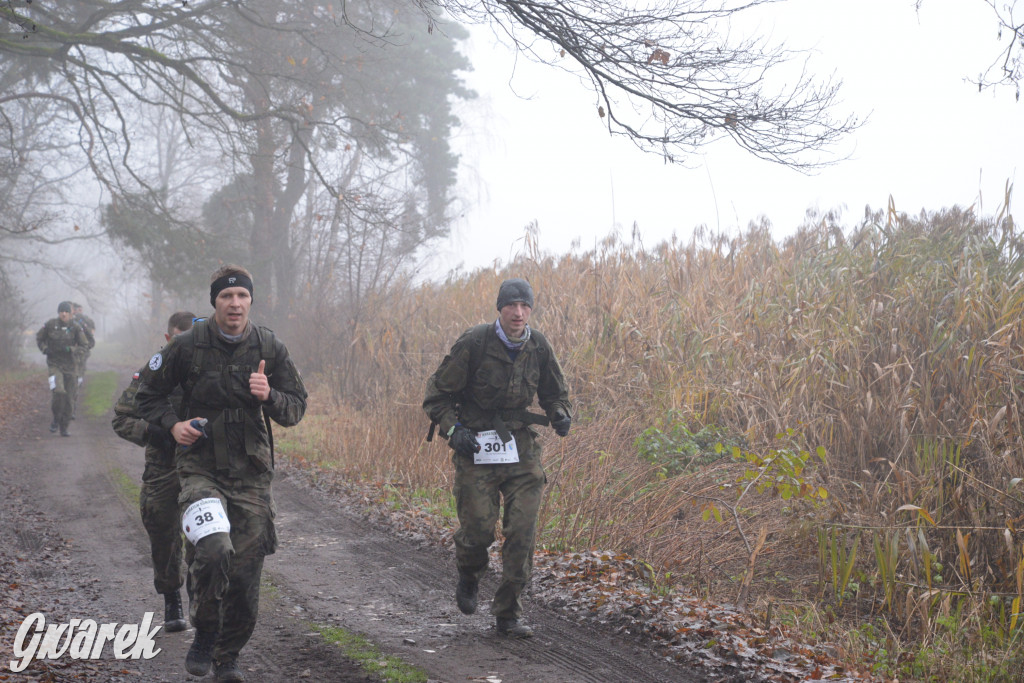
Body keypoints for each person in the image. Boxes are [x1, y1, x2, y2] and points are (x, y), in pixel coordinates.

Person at [135, 265, 307, 683]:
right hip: (200, 468)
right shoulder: (187, 345)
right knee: (213, 549)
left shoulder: (269, 344)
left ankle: (228, 657)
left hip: (251, 473)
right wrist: (173, 425)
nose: (235, 304)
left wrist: (271, 398)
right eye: (227, 297)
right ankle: (206, 631)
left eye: (242, 297)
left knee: (247, 574)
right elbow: (147, 395)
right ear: (215, 301)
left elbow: (296, 406)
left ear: (250, 301)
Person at [423, 278, 572, 638]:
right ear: (499, 309)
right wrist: (453, 429)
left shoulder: (538, 346)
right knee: (477, 530)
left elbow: (556, 393)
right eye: (511, 306)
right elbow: (436, 395)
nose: (518, 313)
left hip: (520, 450)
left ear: (531, 310)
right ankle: (469, 575)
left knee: (522, 532)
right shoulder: (475, 342)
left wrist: (560, 413)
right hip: (476, 445)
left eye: (524, 306)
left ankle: (508, 614)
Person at [111, 311, 196, 634]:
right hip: (163, 464)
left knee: (206, 535)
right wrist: (154, 431)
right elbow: (121, 419)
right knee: (163, 531)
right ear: (167, 338)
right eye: (178, 337)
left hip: (204, 464)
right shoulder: (153, 371)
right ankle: (171, 596)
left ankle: (201, 602)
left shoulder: (211, 369)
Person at [36, 301, 91, 437]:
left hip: (71, 366)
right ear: (58, 312)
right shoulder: (50, 325)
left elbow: (85, 346)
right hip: (55, 365)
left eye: (66, 312)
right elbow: (39, 338)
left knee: (69, 398)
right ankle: (56, 418)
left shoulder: (76, 327)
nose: (63, 314)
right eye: (61, 311)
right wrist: (45, 349)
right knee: (58, 391)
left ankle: (64, 426)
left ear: (70, 313)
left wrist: (71, 349)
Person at [70, 302, 96, 419]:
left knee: (77, 377)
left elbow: (91, 337)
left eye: (79, 309)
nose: (78, 311)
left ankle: (71, 408)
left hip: (80, 354)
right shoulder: (65, 321)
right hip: (65, 358)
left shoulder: (85, 322)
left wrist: (83, 348)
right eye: (76, 309)